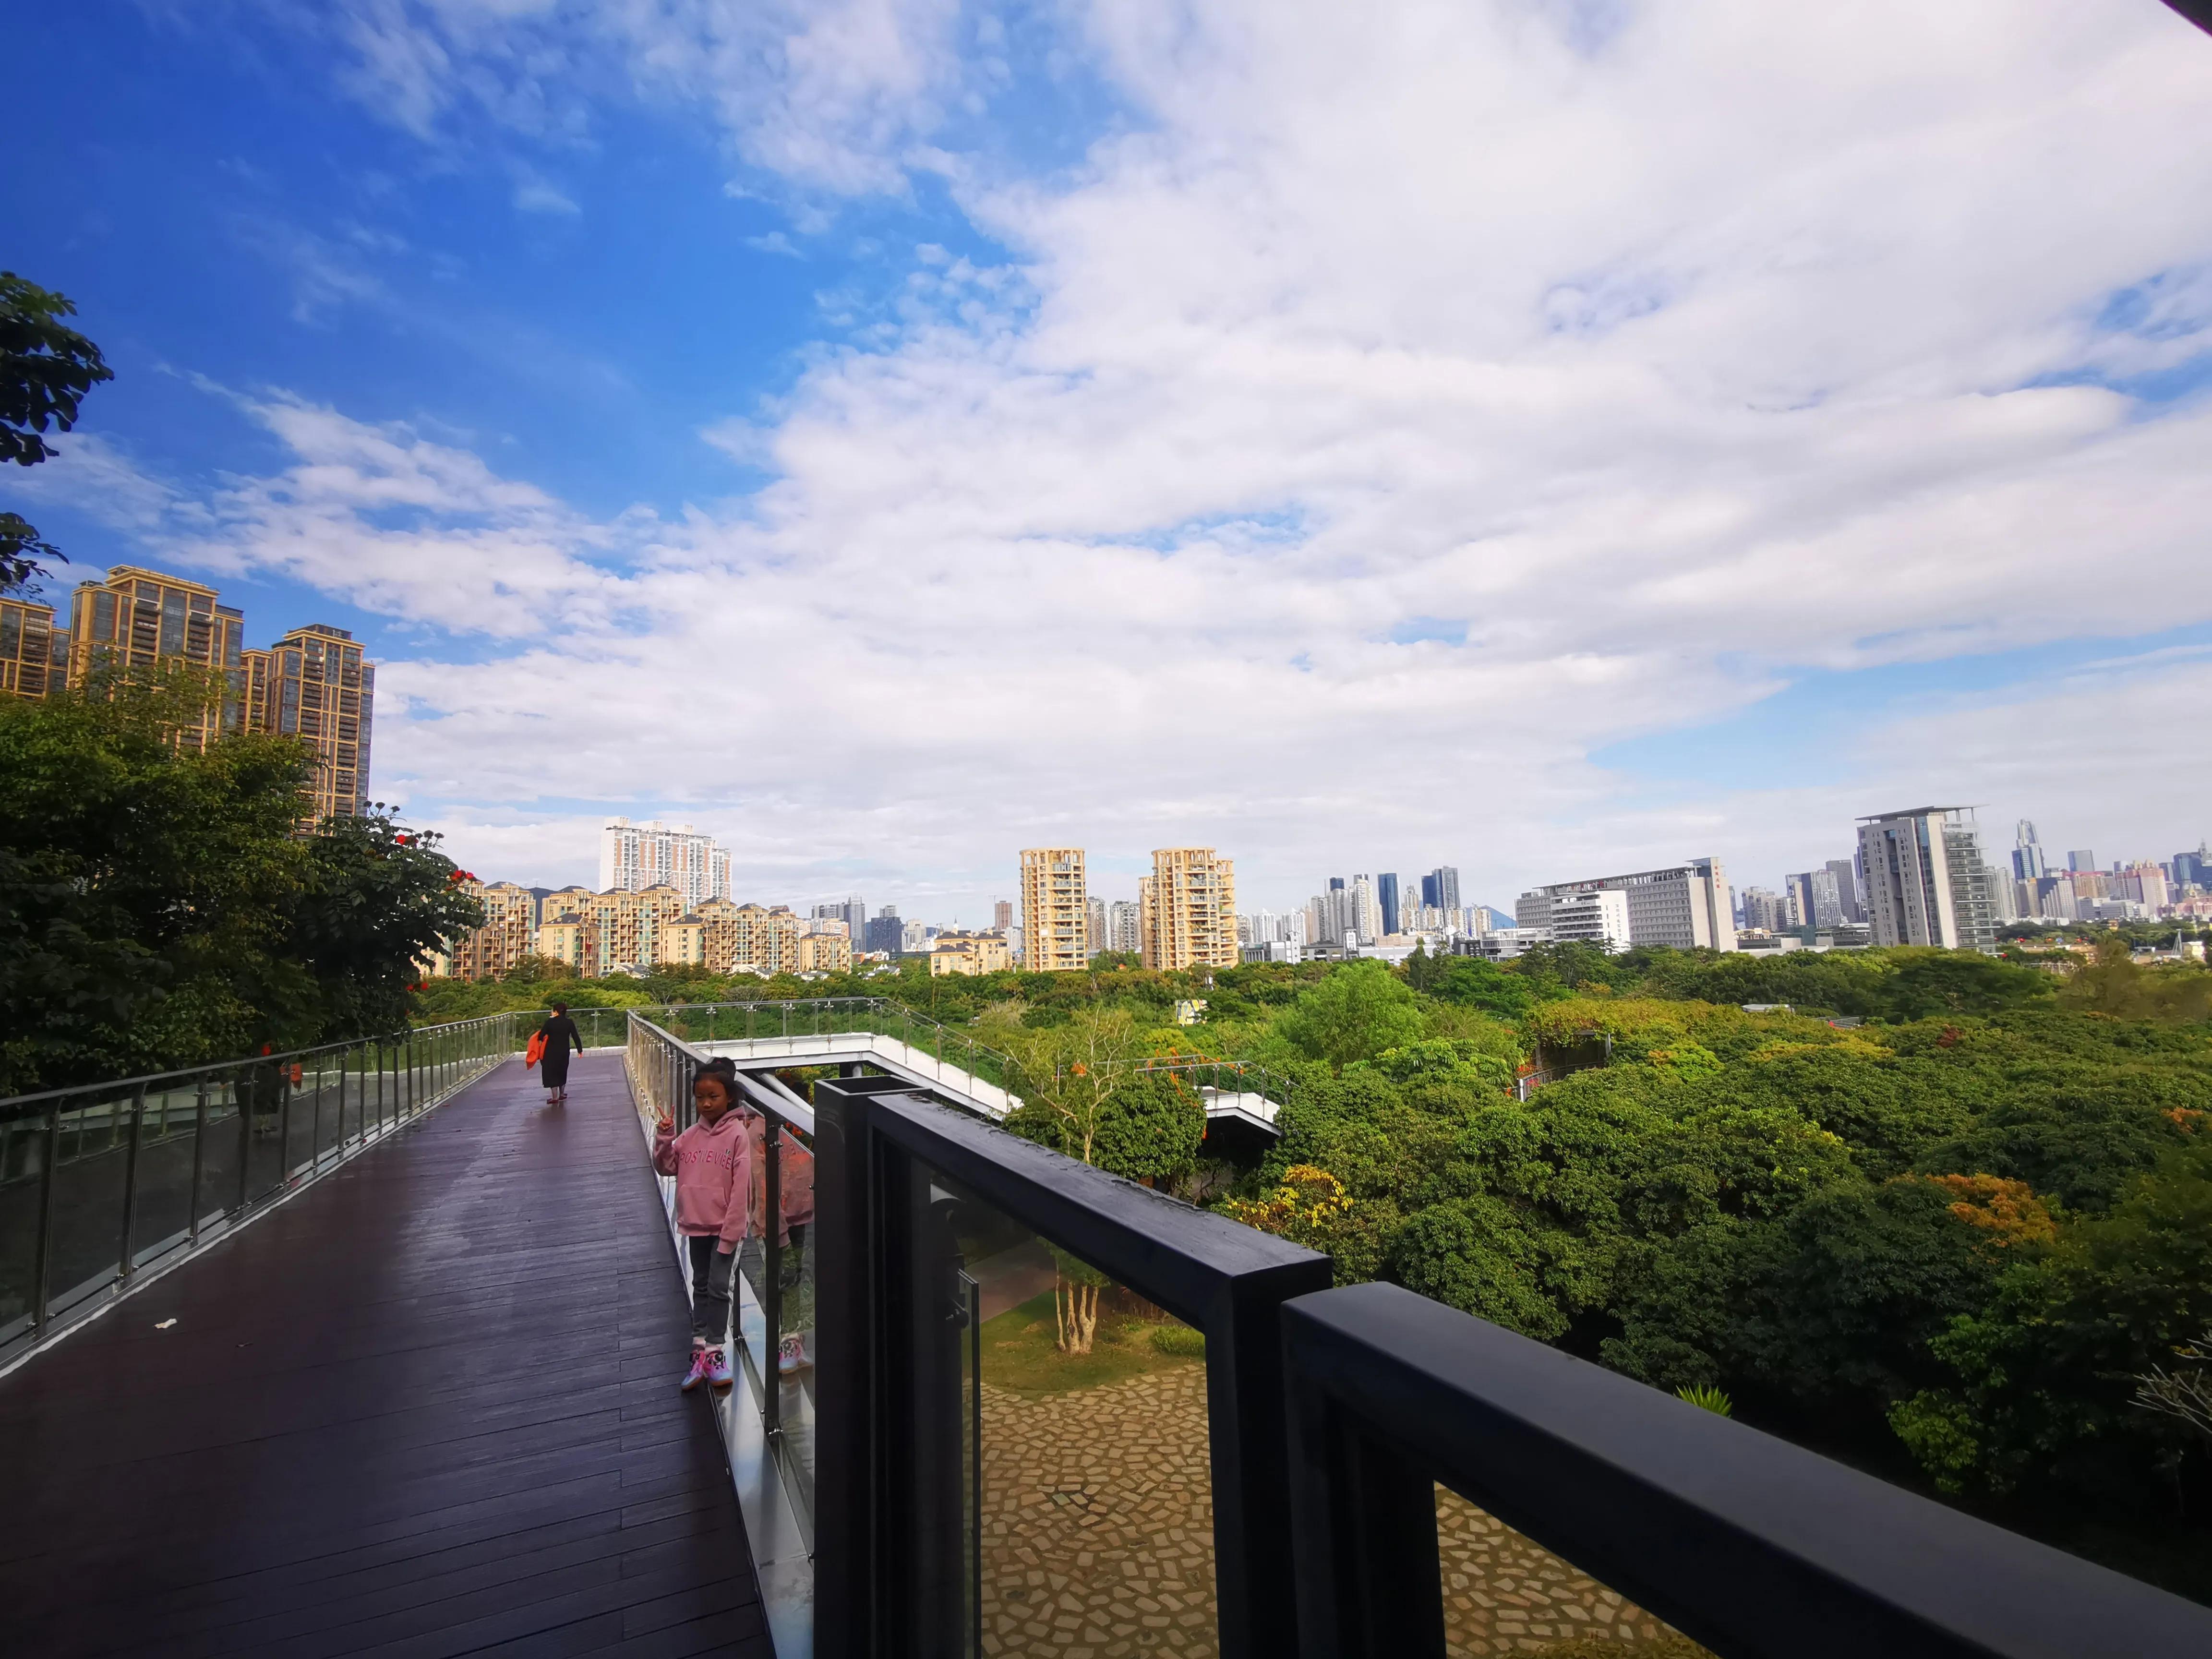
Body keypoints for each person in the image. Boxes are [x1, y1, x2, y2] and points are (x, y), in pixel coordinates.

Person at [653, 1058, 753, 1392]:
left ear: (730, 1098)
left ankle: (715, 1351)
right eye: (700, 1097)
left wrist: (732, 1233)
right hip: (696, 1224)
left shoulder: (738, 1135)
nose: (707, 1103)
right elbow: (666, 1167)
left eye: (713, 1096)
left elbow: (742, 1191)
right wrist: (665, 1136)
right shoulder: (690, 1136)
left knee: (719, 1288)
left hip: (724, 1228)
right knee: (701, 1285)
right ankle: (699, 1350)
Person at [535, 1004, 583, 1105]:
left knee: (552, 1073)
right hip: (564, 1051)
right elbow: (575, 1036)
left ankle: (554, 1097)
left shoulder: (550, 1022)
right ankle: (562, 1094)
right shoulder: (569, 1022)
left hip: (551, 1052)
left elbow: (541, 1036)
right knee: (562, 1071)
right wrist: (580, 1050)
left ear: (556, 1012)